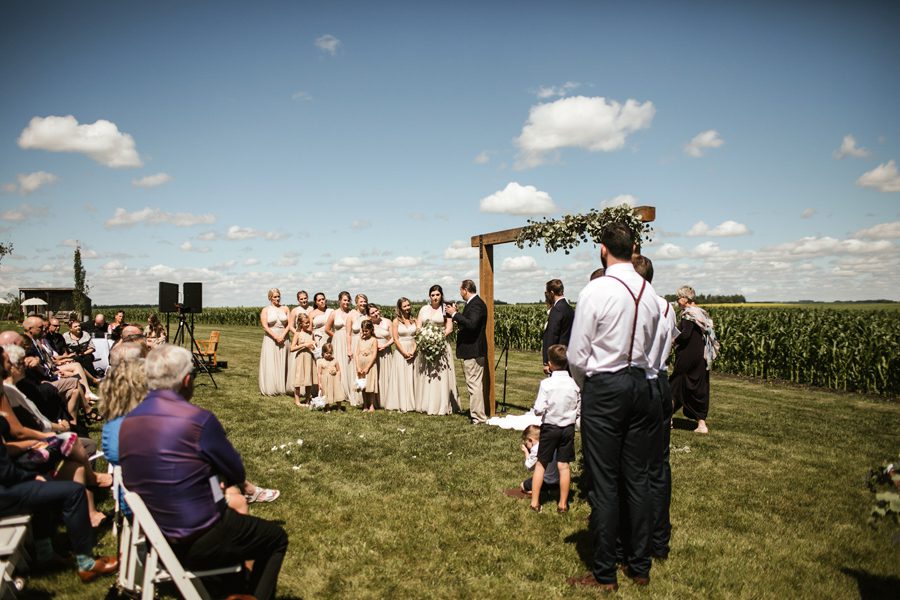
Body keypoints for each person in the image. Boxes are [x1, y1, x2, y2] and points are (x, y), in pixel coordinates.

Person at [119, 345, 288, 600]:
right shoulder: (197, 419)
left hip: (153, 533)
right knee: (275, 538)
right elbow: (236, 471)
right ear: (187, 381)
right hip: (196, 534)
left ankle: (231, 588)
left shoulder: (129, 421)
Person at [566, 222, 662, 591]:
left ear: (603, 249)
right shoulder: (651, 294)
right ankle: (639, 565)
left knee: (604, 481)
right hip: (643, 384)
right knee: (637, 477)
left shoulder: (598, 288)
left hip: (606, 386)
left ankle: (604, 571)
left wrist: (586, 384)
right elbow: (655, 351)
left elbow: (577, 353)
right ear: (633, 248)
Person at [632, 255, 677, 560]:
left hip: (640, 382)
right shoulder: (666, 305)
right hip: (662, 382)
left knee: (635, 468)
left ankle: (639, 541)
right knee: (660, 466)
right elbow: (670, 340)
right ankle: (660, 539)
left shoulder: (634, 305)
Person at [529, 344, 580, 514]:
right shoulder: (574, 384)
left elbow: (538, 408)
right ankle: (563, 504)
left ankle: (535, 502)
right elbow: (578, 408)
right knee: (563, 466)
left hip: (550, 427)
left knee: (541, 463)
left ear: (550, 364)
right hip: (567, 428)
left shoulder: (547, 384)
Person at [670, 285, 719, 434]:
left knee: (674, 386)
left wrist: (673, 340)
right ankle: (701, 424)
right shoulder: (702, 314)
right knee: (698, 387)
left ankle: (666, 419)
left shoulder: (688, 315)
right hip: (701, 356)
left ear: (685, 299)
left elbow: (685, 335)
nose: (677, 301)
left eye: (678, 298)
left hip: (688, 356)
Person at [445, 279, 487, 424]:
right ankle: (477, 415)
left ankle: (478, 417)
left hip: (473, 350)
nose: (460, 293)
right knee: (474, 384)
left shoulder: (476, 304)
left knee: (473, 384)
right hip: (473, 349)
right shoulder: (473, 304)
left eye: (460, 290)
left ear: (465, 290)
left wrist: (455, 314)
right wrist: (457, 315)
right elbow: (468, 322)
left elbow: (472, 324)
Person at [415, 285, 458, 415]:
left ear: (441, 295)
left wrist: (437, 338)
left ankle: (442, 404)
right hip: (426, 345)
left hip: (441, 344)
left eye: (437, 295)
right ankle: (426, 403)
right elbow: (419, 324)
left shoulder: (445, 309)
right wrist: (423, 336)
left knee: (440, 373)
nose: (435, 297)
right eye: (432, 295)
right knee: (427, 373)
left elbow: (449, 328)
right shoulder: (424, 309)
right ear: (429, 296)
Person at [324, 291, 354, 402]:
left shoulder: (352, 313)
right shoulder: (334, 313)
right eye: (344, 300)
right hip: (337, 341)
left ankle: (351, 390)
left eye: (348, 300)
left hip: (349, 340)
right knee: (339, 364)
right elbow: (327, 329)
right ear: (339, 301)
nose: (346, 302)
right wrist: (336, 336)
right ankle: (339, 391)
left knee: (349, 364)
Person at [259, 288, 289, 396]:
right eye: (275, 297)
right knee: (271, 361)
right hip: (271, 338)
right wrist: (276, 337)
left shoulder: (285, 308)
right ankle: (271, 387)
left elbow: (289, 324)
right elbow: (265, 326)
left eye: (278, 296)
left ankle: (283, 386)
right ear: (270, 298)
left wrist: (283, 335)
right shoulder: (265, 310)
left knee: (284, 360)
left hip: (284, 337)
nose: (277, 298)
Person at [542, 279, 575, 375]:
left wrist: (547, 362)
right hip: (567, 357)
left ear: (551, 293)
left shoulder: (557, 310)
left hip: (557, 360)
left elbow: (552, 336)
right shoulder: (569, 309)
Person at [391, 297, 418, 413]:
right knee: (402, 376)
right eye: (404, 306)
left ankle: (414, 402)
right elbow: (396, 339)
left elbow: (418, 337)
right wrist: (404, 353)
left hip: (413, 350)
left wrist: (413, 351)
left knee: (413, 376)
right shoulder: (396, 322)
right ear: (400, 308)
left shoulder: (415, 321)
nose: (407, 308)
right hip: (401, 351)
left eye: (408, 305)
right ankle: (402, 402)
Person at [519, 424, 559, 497]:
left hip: (545, 481)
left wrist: (526, 452)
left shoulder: (536, 449)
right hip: (557, 481)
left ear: (530, 440)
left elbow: (529, 467)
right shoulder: (550, 445)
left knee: (522, 485)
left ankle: (537, 491)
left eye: (526, 442)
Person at [368, 304, 394, 410]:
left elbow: (393, 338)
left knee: (386, 374)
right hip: (373, 353)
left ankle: (388, 400)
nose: (376, 314)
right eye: (372, 313)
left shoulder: (387, 321)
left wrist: (385, 345)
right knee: (375, 376)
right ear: (369, 315)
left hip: (386, 352)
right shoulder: (368, 324)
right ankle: (374, 401)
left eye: (376, 311)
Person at [346, 293, 369, 408]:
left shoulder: (368, 314)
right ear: (356, 303)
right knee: (355, 370)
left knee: (364, 369)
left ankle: (365, 397)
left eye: (365, 301)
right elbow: (348, 334)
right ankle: (356, 397)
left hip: (366, 345)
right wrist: (349, 349)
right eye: (361, 301)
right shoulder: (351, 315)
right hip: (355, 344)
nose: (363, 303)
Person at [290, 313, 316, 407]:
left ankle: (308, 399)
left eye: (309, 322)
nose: (308, 324)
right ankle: (297, 401)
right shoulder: (298, 333)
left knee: (308, 379)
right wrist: (304, 345)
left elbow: (313, 346)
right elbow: (292, 348)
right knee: (299, 378)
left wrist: (314, 345)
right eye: (306, 323)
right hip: (301, 357)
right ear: (300, 323)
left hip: (309, 357)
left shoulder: (311, 333)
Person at [355, 320, 378, 412]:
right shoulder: (360, 340)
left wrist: (368, 367)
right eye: (363, 330)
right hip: (361, 364)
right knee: (362, 385)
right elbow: (356, 353)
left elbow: (374, 354)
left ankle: (371, 405)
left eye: (366, 331)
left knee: (370, 385)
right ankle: (365, 405)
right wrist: (358, 367)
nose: (364, 333)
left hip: (370, 365)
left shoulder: (374, 340)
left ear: (371, 330)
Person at [317, 343, 345, 409]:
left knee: (337, 392)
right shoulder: (320, 362)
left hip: (334, 379)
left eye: (330, 353)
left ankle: (339, 407)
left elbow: (338, 370)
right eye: (326, 353)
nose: (328, 355)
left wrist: (338, 378)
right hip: (325, 381)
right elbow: (319, 373)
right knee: (326, 393)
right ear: (323, 353)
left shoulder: (335, 360)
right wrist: (320, 383)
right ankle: (327, 408)